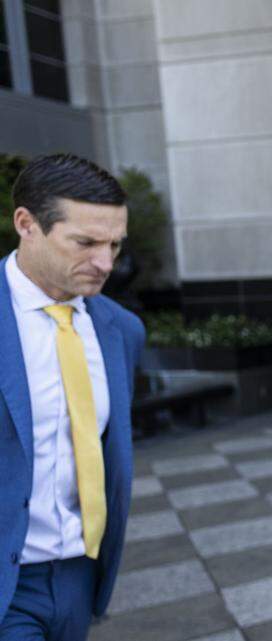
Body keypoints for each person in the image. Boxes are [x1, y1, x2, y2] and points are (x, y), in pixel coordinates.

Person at [0, 154, 145, 641]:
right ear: (27, 224)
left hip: (81, 577)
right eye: (85, 243)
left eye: (114, 245)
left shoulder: (120, 330)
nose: (106, 263)